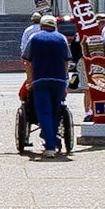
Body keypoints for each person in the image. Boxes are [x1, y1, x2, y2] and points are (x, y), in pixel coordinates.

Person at [24, 12, 70, 154]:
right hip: (59, 79)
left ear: (41, 26)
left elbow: (27, 61)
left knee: (44, 111)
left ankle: (50, 146)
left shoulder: (34, 38)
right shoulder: (61, 38)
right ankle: (54, 137)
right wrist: (66, 78)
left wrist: (29, 80)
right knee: (56, 110)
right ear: (54, 26)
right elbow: (66, 60)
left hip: (40, 78)